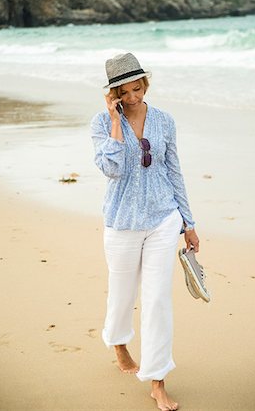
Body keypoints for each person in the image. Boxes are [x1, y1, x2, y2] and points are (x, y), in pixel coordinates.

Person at [90, 52, 199, 411]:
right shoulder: (100, 124)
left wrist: (189, 222)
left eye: (138, 88)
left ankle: (157, 379)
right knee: (122, 294)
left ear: (145, 84)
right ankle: (119, 344)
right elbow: (113, 170)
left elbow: (174, 170)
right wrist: (115, 123)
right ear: (114, 94)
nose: (134, 97)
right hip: (121, 222)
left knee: (156, 301)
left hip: (163, 219)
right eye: (125, 92)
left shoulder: (165, 121)